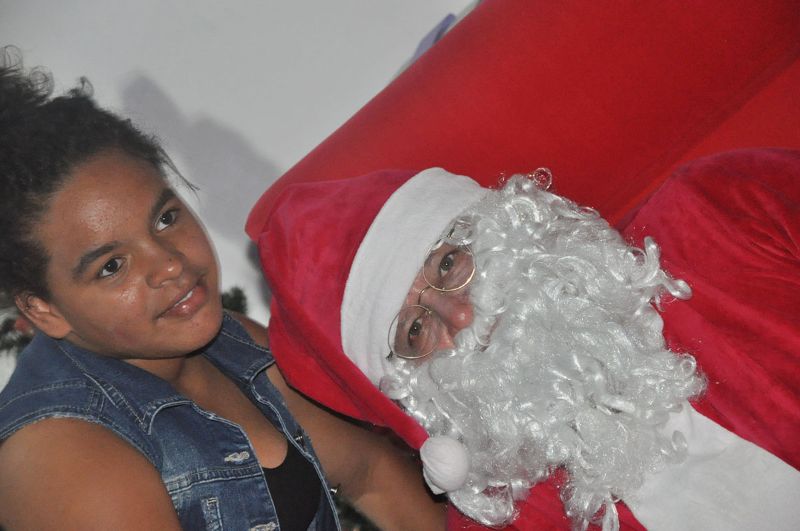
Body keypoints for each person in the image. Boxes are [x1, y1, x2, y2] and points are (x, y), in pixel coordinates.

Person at [0, 48, 446, 530]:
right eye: (112, 267)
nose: (170, 264)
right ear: (43, 310)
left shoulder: (231, 341)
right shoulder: (61, 460)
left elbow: (369, 472)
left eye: (165, 218)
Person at [253, 153, 800, 529]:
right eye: (414, 330)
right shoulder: (507, 521)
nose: (460, 313)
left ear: (503, 224)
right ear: (412, 393)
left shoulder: (721, 212)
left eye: (448, 263)